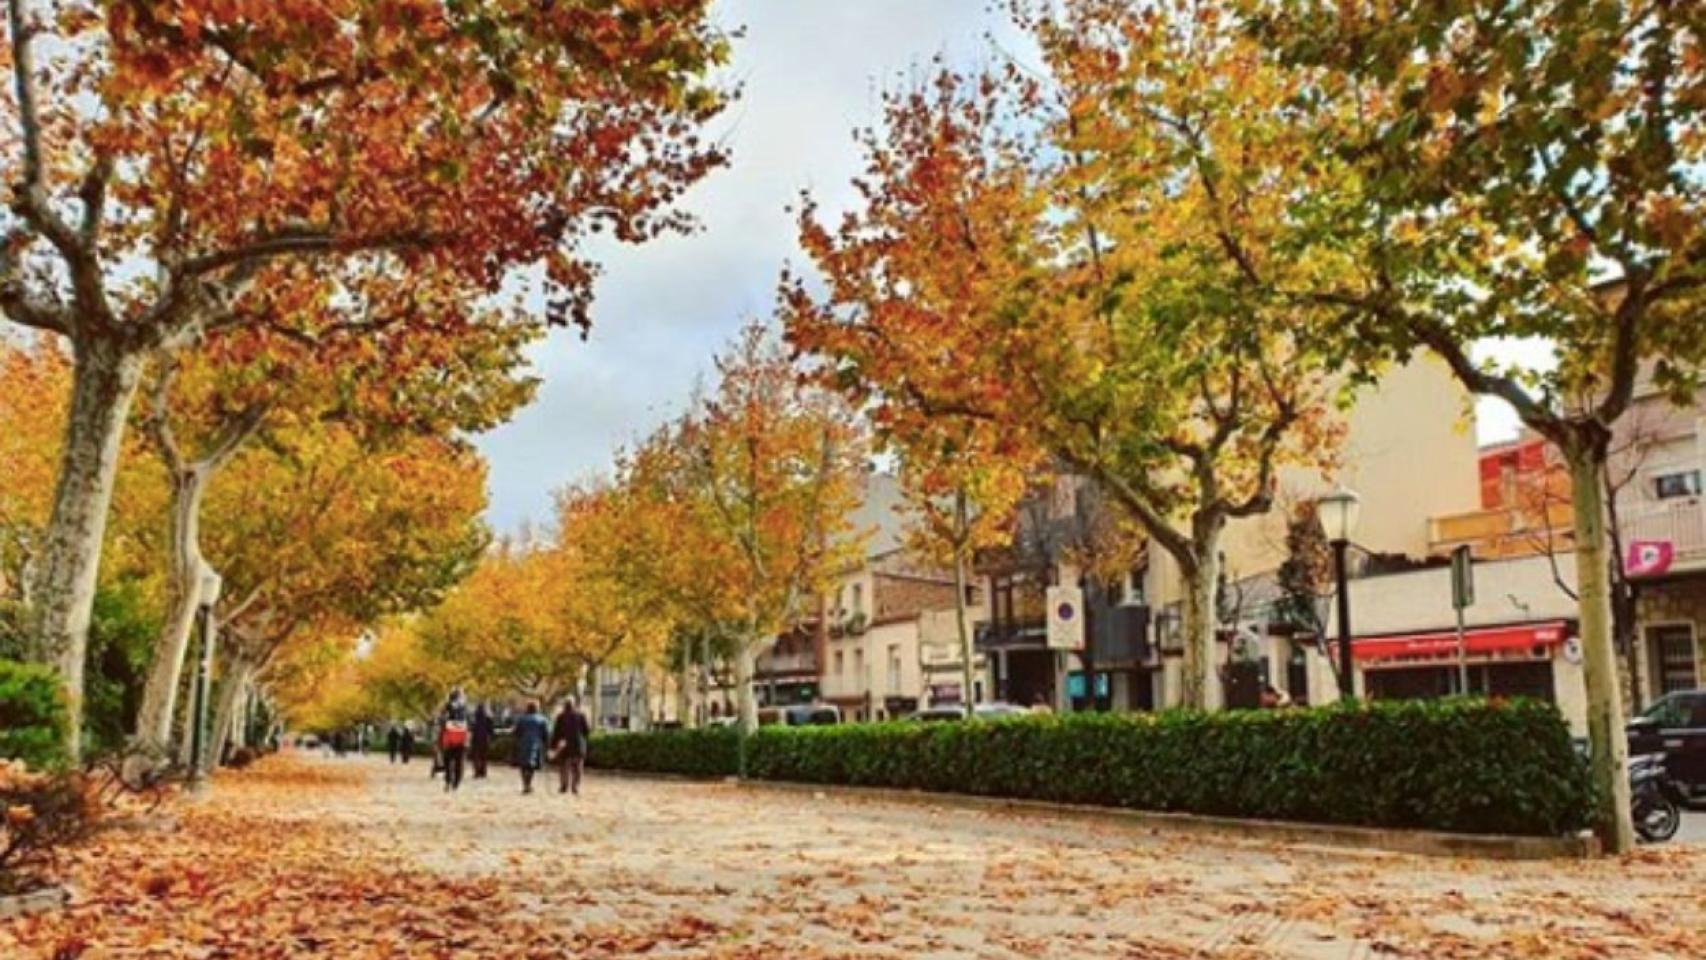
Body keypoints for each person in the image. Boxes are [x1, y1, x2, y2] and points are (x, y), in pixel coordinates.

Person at [551, 697, 592, 797]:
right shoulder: (581, 715)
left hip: (564, 745)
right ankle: (575, 787)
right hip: (578, 745)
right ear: (574, 704)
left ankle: (564, 786)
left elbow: (556, 733)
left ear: (565, 705)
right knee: (577, 768)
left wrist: (553, 745)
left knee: (564, 767)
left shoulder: (560, 716)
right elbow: (586, 731)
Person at [511, 701, 551, 794]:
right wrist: (547, 745)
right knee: (531, 765)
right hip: (536, 744)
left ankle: (525, 783)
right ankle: (528, 783)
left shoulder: (521, 719)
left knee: (523, 764)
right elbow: (546, 734)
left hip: (522, 743)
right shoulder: (542, 720)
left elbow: (516, 732)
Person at [438, 688, 471, 792]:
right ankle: (456, 782)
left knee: (447, 760)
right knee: (459, 761)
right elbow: (470, 723)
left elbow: (441, 720)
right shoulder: (465, 708)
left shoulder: (446, 707)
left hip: (448, 737)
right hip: (461, 737)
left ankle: (448, 780)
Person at [470, 703, 496, 780]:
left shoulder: (475, 718)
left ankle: (477, 772)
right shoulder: (488, 718)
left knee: (476, 756)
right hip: (485, 738)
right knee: (483, 756)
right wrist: (491, 737)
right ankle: (483, 771)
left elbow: (472, 728)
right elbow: (491, 730)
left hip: (476, 738)